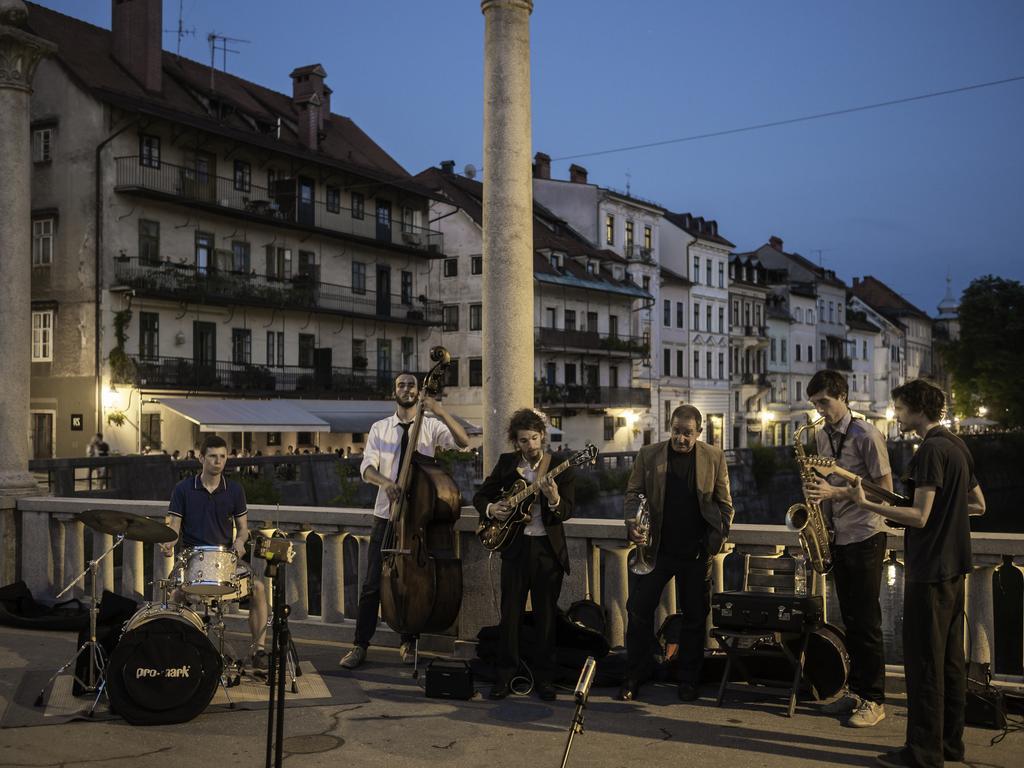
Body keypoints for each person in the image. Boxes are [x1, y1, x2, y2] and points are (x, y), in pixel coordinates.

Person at [838, 380, 984, 768]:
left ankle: (922, 754)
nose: (897, 415)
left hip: (930, 569)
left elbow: (919, 517)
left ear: (918, 408)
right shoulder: (957, 445)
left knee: (924, 665)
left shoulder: (930, 451)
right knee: (952, 661)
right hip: (956, 567)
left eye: (900, 408)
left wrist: (867, 502)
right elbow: (978, 504)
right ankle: (951, 744)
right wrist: (943, 512)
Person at [339, 371, 470, 669]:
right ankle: (360, 645)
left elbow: (463, 441)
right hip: (387, 515)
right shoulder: (380, 428)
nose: (407, 389)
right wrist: (386, 483)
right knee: (372, 584)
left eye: (412, 384)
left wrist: (438, 409)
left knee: (413, 582)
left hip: (418, 518)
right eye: (401, 384)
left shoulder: (431, 427)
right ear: (393, 391)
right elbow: (366, 468)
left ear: (418, 391)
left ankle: (408, 641)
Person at [619, 404, 734, 702]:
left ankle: (688, 679)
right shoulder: (649, 454)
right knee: (638, 610)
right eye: (676, 431)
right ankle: (636, 672)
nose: (680, 439)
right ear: (669, 427)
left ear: (699, 432)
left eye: (687, 433)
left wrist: (718, 537)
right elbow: (633, 494)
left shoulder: (714, 456)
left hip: (696, 553)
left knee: (696, 618)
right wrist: (632, 521)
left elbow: (725, 505)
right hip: (658, 550)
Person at [803, 369, 892, 728]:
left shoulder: (867, 434)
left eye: (824, 402)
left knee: (867, 623)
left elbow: (885, 491)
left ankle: (875, 700)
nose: (820, 410)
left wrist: (834, 492)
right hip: (839, 533)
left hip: (867, 533)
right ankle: (856, 693)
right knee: (851, 621)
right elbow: (830, 478)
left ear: (842, 396)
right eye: (815, 404)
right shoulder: (824, 435)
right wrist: (815, 490)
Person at [473, 408, 574, 701]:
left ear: (542, 436)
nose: (530, 445)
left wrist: (554, 497)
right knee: (510, 616)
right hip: (515, 550)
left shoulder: (562, 466)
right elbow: (480, 496)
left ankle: (545, 680)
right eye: (523, 441)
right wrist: (492, 509)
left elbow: (568, 510)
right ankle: (504, 677)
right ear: (515, 443)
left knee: (546, 619)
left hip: (547, 552)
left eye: (534, 438)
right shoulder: (507, 464)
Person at [160, 434, 270, 669]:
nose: (218, 461)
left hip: (225, 561)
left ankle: (259, 652)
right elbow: (174, 528)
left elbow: (243, 529)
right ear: (201, 458)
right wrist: (169, 543)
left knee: (259, 588)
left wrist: (240, 542)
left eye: (222, 456)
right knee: (176, 595)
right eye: (212, 457)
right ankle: (171, 649)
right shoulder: (183, 489)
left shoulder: (235, 491)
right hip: (191, 559)